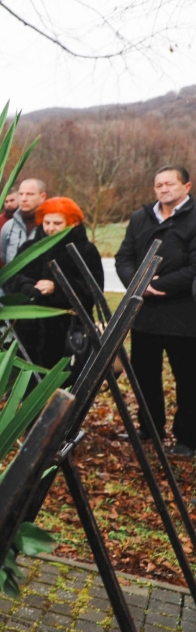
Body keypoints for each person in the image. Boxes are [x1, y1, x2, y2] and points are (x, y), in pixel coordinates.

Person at [115, 164, 196, 456]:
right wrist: (138, 283)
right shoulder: (140, 218)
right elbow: (123, 257)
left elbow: (194, 267)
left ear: (186, 187)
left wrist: (160, 285)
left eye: (169, 184)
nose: (163, 189)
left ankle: (188, 438)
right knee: (144, 375)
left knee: (188, 379)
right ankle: (150, 428)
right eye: (159, 185)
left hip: (184, 315)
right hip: (145, 313)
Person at [3, 197, 103, 382]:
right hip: (29, 333)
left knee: (64, 386)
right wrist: (26, 286)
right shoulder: (30, 248)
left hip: (67, 334)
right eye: (47, 222)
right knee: (28, 387)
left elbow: (93, 292)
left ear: (72, 223)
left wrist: (58, 288)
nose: (50, 228)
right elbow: (10, 279)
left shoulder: (86, 251)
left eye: (57, 223)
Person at [0, 179, 47, 264]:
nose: (24, 199)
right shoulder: (8, 227)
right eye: (20, 194)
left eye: (30, 194)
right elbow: (4, 256)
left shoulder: (50, 227)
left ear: (42, 197)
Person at [0, 191, 19, 266]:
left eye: (12, 200)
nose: (9, 204)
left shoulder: (27, 220)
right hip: (0, 267)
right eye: (6, 201)